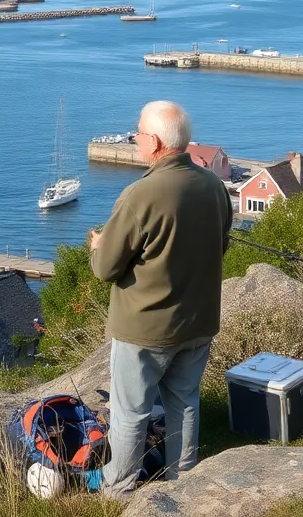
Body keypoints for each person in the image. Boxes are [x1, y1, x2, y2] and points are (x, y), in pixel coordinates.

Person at [90, 100, 232, 499]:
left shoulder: (140, 195)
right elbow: (218, 248)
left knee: (130, 413)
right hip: (198, 321)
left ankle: (118, 490)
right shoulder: (214, 186)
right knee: (184, 404)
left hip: (145, 327)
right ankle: (183, 482)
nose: (134, 138)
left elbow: (105, 269)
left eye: (137, 132)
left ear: (153, 141)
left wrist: (98, 246)